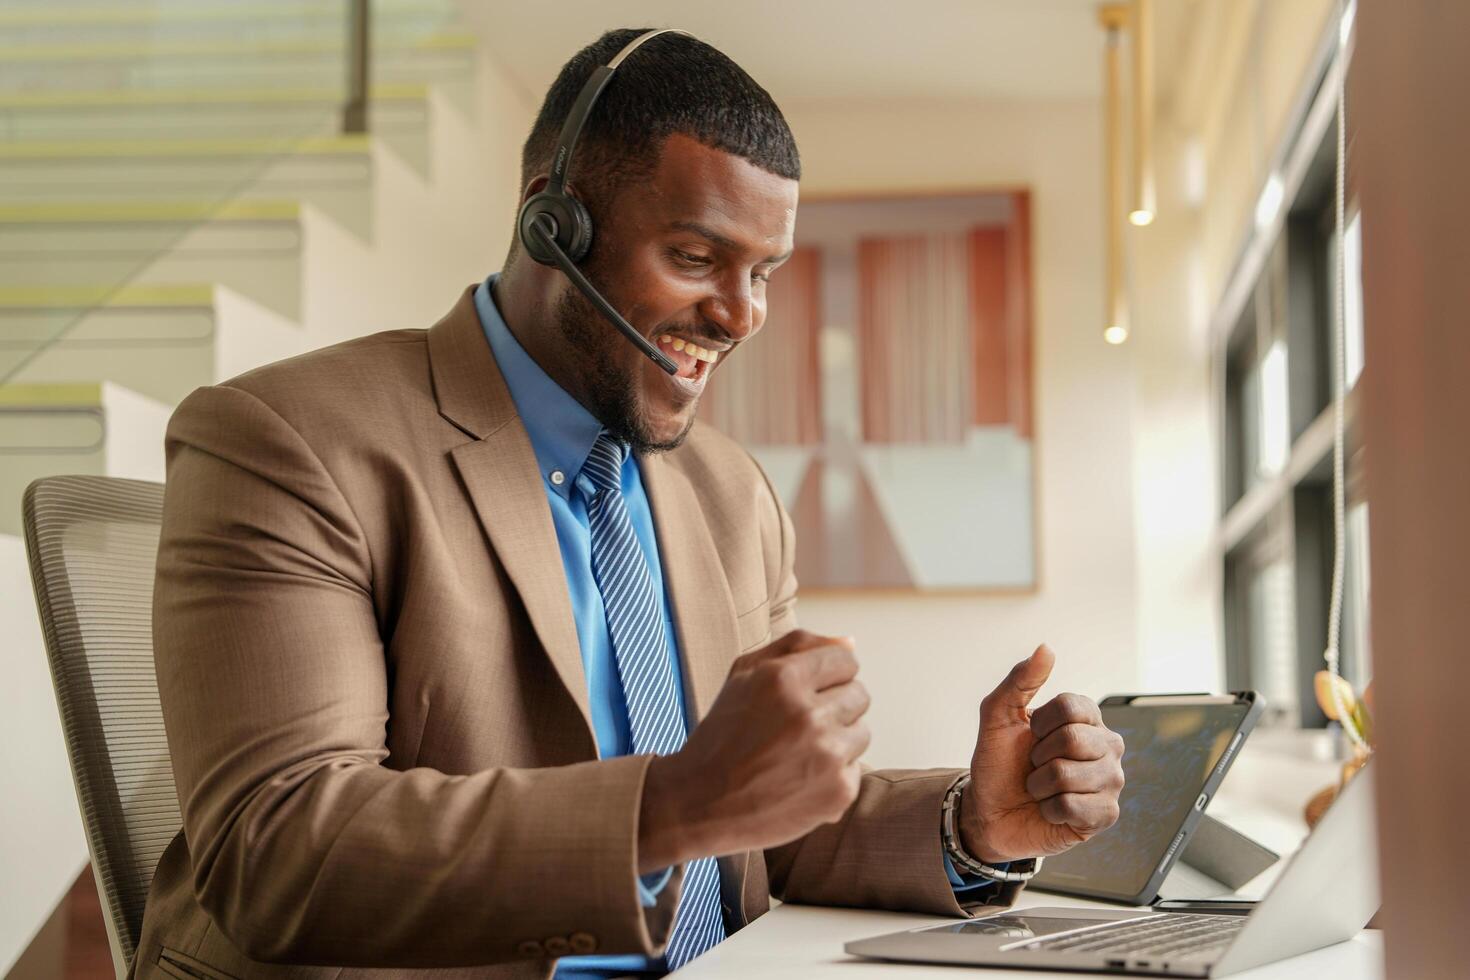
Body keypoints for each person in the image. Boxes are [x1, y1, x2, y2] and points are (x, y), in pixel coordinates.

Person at [141, 28, 1125, 980]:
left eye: (764, 273)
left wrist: (972, 827)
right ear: (551, 222)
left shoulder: (731, 491)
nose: (742, 316)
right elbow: (274, 852)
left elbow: (760, 828)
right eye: (697, 258)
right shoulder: (289, 440)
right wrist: (674, 802)